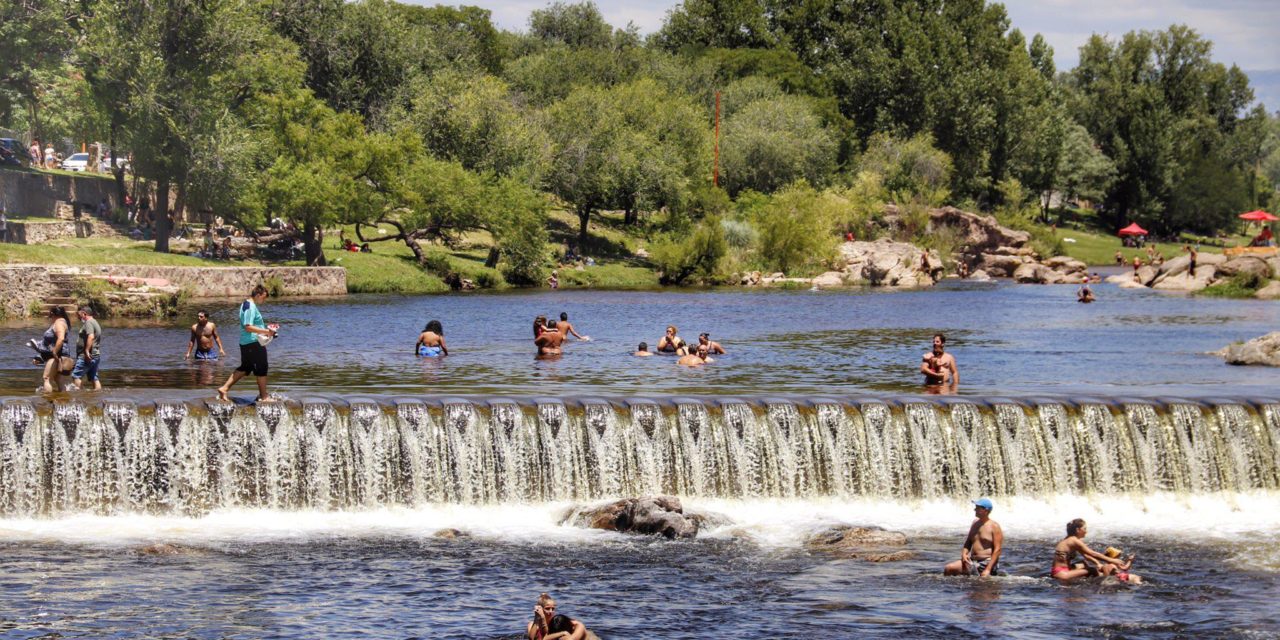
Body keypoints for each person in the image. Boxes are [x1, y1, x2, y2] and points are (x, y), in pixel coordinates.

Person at [215, 285, 276, 402]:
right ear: (258, 295)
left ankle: (224, 388)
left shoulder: (246, 304)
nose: (263, 301)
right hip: (253, 343)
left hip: (247, 343)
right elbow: (248, 327)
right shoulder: (250, 307)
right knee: (262, 368)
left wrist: (266, 332)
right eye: (263, 298)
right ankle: (264, 397)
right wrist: (267, 331)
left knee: (246, 368)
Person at [1051, 518, 1140, 584]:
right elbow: (1092, 553)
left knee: (1083, 563)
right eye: (1084, 529)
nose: (1086, 531)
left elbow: (1086, 556)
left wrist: (1097, 563)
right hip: (1061, 573)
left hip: (1059, 570)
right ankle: (1107, 583)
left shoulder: (1069, 540)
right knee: (1092, 570)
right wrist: (1111, 560)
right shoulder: (1074, 541)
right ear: (1078, 530)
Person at [943, 498, 1004, 577]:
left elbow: (997, 550)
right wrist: (964, 554)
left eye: (977, 508)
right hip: (972, 560)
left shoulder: (994, 526)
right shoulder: (975, 523)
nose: (974, 509)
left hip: (985, 562)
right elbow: (968, 542)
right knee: (949, 568)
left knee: (979, 587)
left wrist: (988, 569)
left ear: (986, 510)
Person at [38, 307, 71, 393]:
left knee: (47, 378)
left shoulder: (59, 323)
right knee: (59, 379)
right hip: (60, 354)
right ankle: (63, 401)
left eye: (50, 314)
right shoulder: (62, 322)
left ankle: (47, 402)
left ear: (52, 314)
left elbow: (61, 339)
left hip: (57, 355)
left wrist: (55, 352)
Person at [71, 306, 103, 390]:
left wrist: (86, 351)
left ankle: (82, 397)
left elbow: (91, 336)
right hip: (95, 355)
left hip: (87, 356)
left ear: (84, 314)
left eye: (79, 315)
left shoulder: (88, 323)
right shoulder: (95, 322)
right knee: (94, 377)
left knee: (76, 376)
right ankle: (97, 397)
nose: (78, 317)